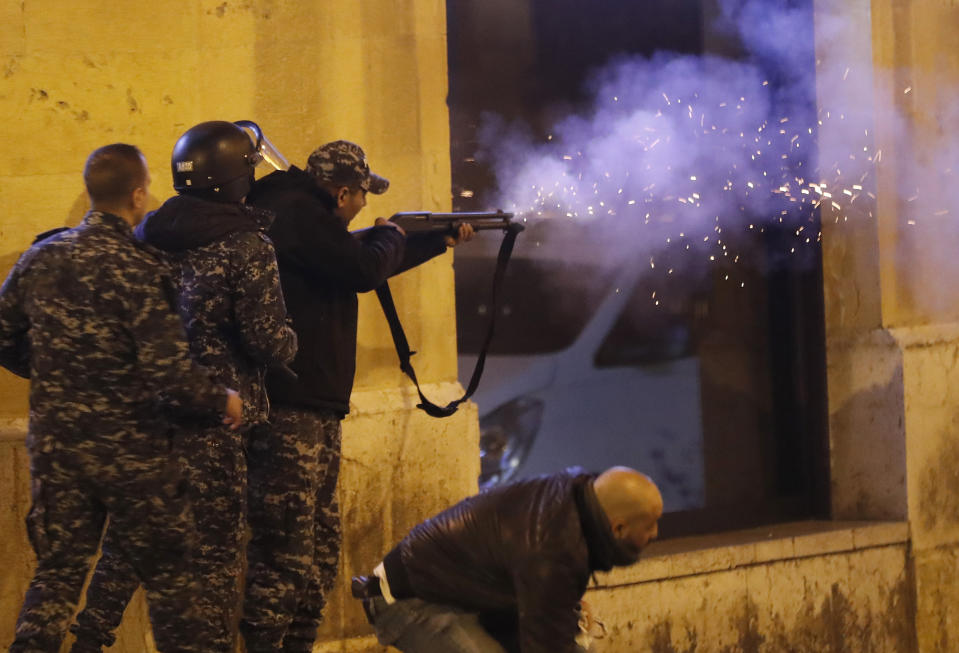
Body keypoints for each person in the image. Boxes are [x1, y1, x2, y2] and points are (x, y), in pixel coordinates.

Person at [0, 143, 243, 653]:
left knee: (59, 574)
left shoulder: (40, 258)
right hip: (135, 457)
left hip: (58, 451)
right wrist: (221, 401)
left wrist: (51, 372)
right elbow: (169, 373)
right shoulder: (141, 268)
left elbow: (3, 337)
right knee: (173, 586)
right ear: (137, 195)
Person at [68, 122, 298, 653]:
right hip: (217, 417)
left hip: (152, 413)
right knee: (215, 554)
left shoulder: (145, 235)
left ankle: (89, 636)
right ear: (234, 177)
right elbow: (267, 339)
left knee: (130, 538)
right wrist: (291, 343)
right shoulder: (246, 244)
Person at [240, 140, 474, 651]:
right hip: (291, 411)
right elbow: (364, 268)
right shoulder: (299, 213)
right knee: (286, 556)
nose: (365, 206)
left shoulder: (306, 218)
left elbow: (354, 259)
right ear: (342, 192)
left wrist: (435, 240)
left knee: (317, 553)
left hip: (313, 406)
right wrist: (391, 233)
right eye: (362, 196)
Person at [351, 466, 663, 653]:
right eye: (650, 524)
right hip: (408, 601)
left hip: (472, 600)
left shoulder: (579, 503)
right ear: (618, 527)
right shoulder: (553, 548)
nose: (656, 533)